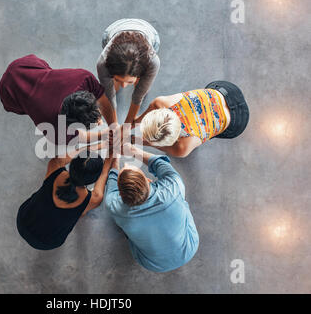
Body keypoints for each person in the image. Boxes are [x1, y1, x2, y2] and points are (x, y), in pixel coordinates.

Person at [104, 144, 199, 272]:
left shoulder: (112, 204)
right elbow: (159, 163)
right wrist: (133, 151)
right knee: (181, 202)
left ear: (120, 194)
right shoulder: (173, 188)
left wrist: (115, 160)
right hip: (189, 248)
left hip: (152, 264)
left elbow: (111, 181)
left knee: (123, 225)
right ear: (148, 180)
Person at [0, 54, 110, 146]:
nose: (100, 122)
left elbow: (101, 96)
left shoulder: (84, 78)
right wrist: (103, 134)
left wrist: (113, 124)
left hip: (26, 65)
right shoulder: (54, 130)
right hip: (10, 89)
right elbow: (80, 137)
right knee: (26, 104)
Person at [17, 149, 114, 250]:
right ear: (94, 179)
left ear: (72, 165)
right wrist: (111, 153)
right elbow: (104, 174)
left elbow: (72, 153)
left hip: (23, 220)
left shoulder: (54, 166)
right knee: (81, 212)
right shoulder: (94, 199)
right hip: (47, 243)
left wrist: (92, 148)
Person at [134, 81, 250, 157]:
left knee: (208, 134)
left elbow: (153, 143)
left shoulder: (183, 148)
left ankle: (210, 131)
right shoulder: (159, 103)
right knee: (203, 131)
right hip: (226, 90)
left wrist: (136, 141)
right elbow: (141, 123)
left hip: (236, 121)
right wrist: (133, 123)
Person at [96, 19, 161, 125]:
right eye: (118, 79)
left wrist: (126, 127)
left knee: (142, 89)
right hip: (113, 30)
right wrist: (114, 126)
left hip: (150, 32)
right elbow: (109, 95)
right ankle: (121, 80)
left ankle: (131, 80)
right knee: (111, 89)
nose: (124, 86)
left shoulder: (153, 61)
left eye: (129, 82)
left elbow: (138, 96)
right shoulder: (103, 62)